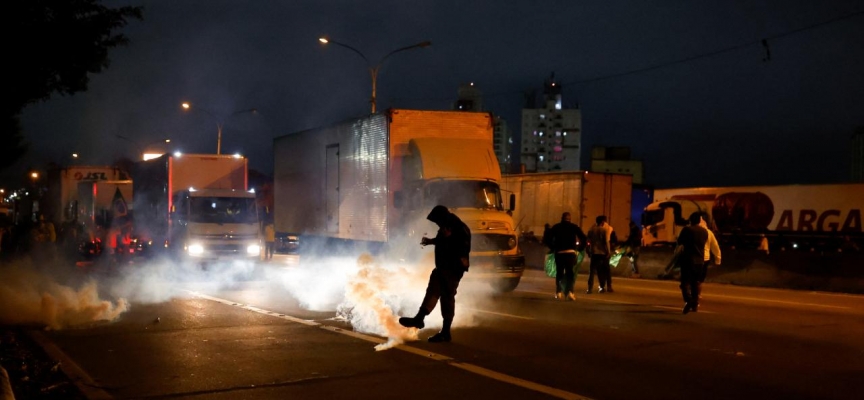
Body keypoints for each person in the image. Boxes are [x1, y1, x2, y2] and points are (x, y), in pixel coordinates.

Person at [399, 205, 471, 343]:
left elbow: (459, 247)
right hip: (444, 267)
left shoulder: (455, 227)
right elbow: (444, 240)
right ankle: (419, 318)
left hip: (452, 269)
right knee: (433, 291)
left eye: (437, 221)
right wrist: (432, 241)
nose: (437, 224)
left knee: (447, 298)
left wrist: (447, 239)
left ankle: (445, 332)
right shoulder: (450, 225)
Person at [545, 212, 587, 300]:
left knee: (559, 272)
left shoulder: (556, 227)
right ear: (570, 219)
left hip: (559, 253)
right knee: (570, 273)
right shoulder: (574, 227)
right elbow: (583, 238)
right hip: (570, 253)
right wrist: (579, 248)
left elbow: (547, 239)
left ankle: (558, 292)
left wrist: (553, 247)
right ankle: (570, 292)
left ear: (561, 218)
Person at [675, 212, 709, 314]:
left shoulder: (687, 230)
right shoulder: (704, 231)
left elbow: (680, 242)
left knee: (685, 283)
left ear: (690, 220)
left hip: (688, 259)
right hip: (700, 261)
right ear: (699, 221)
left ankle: (689, 301)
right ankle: (694, 305)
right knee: (695, 283)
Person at [586, 215, 614, 293]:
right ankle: (603, 287)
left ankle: (589, 288)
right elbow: (606, 242)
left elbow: (588, 242)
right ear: (602, 222)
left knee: (592, 271)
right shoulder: (604, 230)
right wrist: (608, 252)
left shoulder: (591, 230)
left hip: (594, 253)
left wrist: (588, 250)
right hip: (602, 253)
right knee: (605, 270)